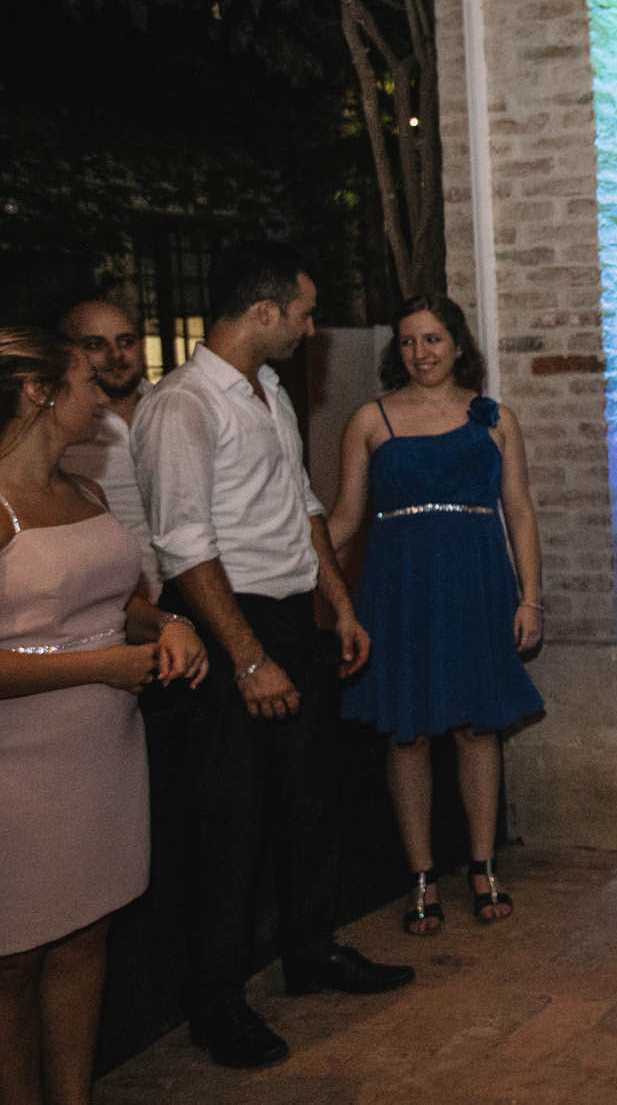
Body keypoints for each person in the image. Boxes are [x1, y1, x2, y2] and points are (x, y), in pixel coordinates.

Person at [132, 241, 413, 1070]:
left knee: (308, 797)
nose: (310, 327)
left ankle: (310, 947)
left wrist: (339, 603)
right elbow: (185, 547)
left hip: (290, 615)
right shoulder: (182, 406)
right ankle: (216, 1000)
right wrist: (249, 660)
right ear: (263, 311)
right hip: (228, 622)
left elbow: (302, 505)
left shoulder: (271, 392)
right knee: (231, 818)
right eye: (303, 312)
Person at [0, 327, 207, 1105]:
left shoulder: (83, 490)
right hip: (19, 771)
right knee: (14, 959)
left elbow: (120, 602)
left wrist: (170, 624)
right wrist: (101, 666)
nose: (103, 395)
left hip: (103, 756)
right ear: (39, 390)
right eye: (88, 380)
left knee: (87, 937)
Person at [327, 292, 545, 936]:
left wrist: (530, 596)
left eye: (432, 339)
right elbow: (344, 518)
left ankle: (482, 865)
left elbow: (519, 510)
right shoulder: (369, 420)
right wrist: (294, 568)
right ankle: (421, 874)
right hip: (398, 591)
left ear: (457, 344)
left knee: (478, 727)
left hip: (478, 587)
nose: (420, 352)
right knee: (408, 733)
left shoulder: (495, 418)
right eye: (407, 341)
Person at [57, 298, 160, 598]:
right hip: (102, 602)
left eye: (126, 342)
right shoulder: (60, 432)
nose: (116, 355)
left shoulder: (172, 407)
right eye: (95, 345)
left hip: (191, 596)